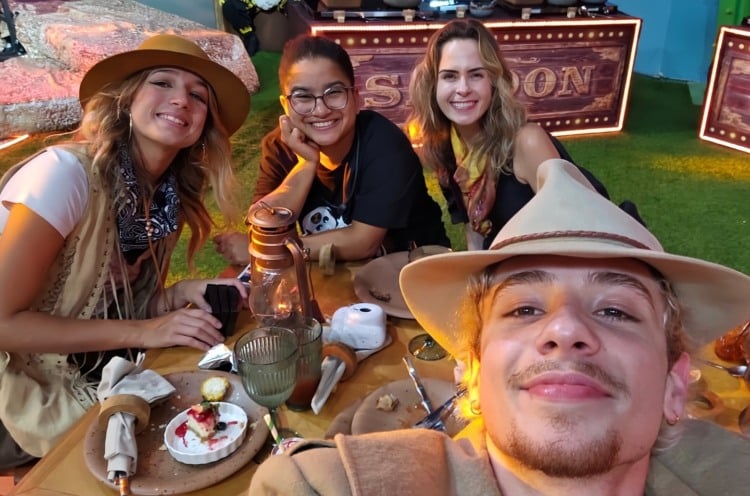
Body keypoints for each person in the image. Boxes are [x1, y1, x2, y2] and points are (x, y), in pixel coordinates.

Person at [248, 159, 750, 495]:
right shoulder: (328, 485)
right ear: (471, 372)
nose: (565, 328)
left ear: (674, 385)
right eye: (524, 309)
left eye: (616, 311)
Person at [0, 34, 250, 468]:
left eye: (198, 95)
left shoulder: (166, 197)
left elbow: (104, 309)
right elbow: (4, 324)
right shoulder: (64, 175)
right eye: (162, 82)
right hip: (20, 403)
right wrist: (145, 331)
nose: (182, 100)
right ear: (126, 98)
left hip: (92, 381)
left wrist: (175, 295)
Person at [213, 34, 450, 265]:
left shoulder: (385, 144)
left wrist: (273, 250)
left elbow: (362, 242)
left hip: (413, 269)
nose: (321, 110)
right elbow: (263, 225)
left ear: (356, 98)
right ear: (286, 105)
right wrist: (306, 164)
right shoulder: (279, 146)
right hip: (337, 272)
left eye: (334, 93)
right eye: (303, 97)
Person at [408, 19, 643, 250]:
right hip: (511, 262)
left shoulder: (527, 142)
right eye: (449, 76)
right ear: (433, 85)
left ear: (494, 81)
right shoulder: (445, 147)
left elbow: (586, 234)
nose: (463, 88)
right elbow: (474, 230)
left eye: (476, 74)